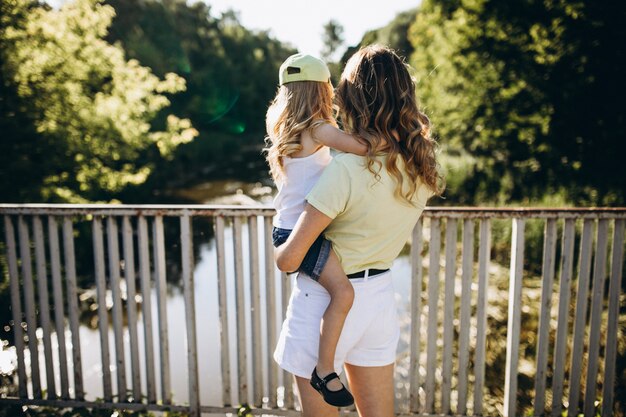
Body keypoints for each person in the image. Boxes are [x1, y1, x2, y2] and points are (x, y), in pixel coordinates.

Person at [273, 44, 444, 417]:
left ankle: (324, 371)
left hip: (324, 304)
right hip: (380, 300)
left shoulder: (345, 170)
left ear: (352, 96)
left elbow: (288, 260)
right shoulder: (418, 168)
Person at [265, 53, 368, 406]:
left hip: (287, 229)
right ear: (323, 91)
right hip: (302, 234)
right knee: (344, 293)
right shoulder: (318, 128)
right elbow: (361, 147)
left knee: (340, 292)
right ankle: (324, 371)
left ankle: (325, 367)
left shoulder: (284, 128)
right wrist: (397, 137)